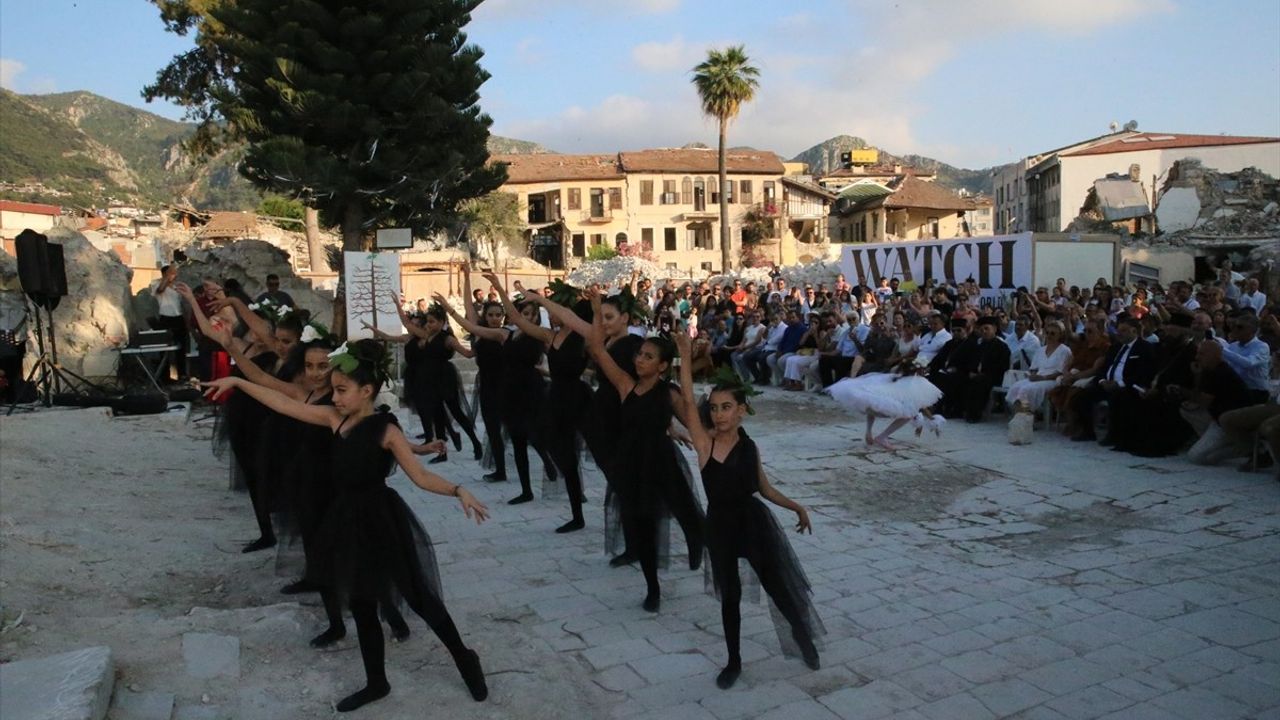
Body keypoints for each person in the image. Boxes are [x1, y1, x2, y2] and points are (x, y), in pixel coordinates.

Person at [202, 340, 490, 711]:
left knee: (419, 599)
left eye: (341, 390)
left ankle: (465, 657)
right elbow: (284, 403)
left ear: (366, 391)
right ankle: (376, 682)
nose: (333, 397)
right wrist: (239, 383)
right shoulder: (333, 420)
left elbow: (419, 477)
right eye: (334, 390)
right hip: (346, 520)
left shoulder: (386, 429)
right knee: (362, 603)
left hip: (382, 520)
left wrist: (458, 490)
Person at [671, 349, 823, 689]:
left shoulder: (750, 447)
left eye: (726, 407)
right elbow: (684, 394)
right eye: (714, 407)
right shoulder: (704, 444)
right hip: (720, 527)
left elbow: (764, 489)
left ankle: (803, 638)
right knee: (731, 597)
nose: (719, 414)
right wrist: (684, 352)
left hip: (753, 523)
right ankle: (734, 661)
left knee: (779, 586)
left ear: (742, 410)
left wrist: (797, 506)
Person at [584, 291, 704, 612]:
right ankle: (653, 588)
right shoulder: (625, 385)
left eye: (648, 357)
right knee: (642, 525)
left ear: (663, 366)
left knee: (684, 506)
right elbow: (596, 348)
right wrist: (597, 311)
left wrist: (686, 358)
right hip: (631, 463)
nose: (639, 360)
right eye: (640, 354)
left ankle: (697, 540)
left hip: (661, 461)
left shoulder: (669, 394)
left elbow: (691, 411)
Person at [437, 287, 556, 506]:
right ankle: (524, 488)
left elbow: (555, 358)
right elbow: (471, 324)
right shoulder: (505, 335)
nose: (528, 317)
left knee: (532, 433)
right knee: (511, 436)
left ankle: (547, 460)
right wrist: (448, 309)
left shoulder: (540, 336)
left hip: (530, 390)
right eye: (525, 313)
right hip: (505, 390)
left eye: (532, 314)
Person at [500, 278, 591, 532]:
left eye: (553, 309)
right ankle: (577, 515)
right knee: (565, 456)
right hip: (558, 399)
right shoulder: (550, 337)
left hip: (580, 399)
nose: (550, 314)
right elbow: (517, 319)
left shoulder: (583, 336)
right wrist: (500, 288)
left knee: (602, 455)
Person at [373, 298, 483, 464]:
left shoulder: (447, 339)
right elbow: (408, 324)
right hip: (429, 379)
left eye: (432, 322)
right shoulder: (425, 336)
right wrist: (398, 306)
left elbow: (467, 354)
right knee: (437, 415)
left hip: (445, 378)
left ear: (442, 322)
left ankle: (476, 443)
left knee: (456, 412)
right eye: (428, 322)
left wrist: (478, 342)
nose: (429, 325)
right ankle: (442, 452)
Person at [1071, 316, 1157, 443]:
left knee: (1117, 399)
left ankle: (1114, 436)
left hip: (1127, 386)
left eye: (1123, 330)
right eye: (1118, 330)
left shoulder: (1144, 348)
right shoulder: (1115, 347)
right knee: (1081, 396)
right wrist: (1102, 381)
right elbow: (1103, 368)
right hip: (1107, 384)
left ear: (1134, 331)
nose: (1119, 333)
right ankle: (1087, 431)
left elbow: (1142, 373)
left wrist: (1119, 383)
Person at [828, 358, 944, 449]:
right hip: (888, 408)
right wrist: (931, 420)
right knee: (907, 415)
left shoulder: (893, 376)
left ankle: (869, 432)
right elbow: (920, 406)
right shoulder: (915, 383)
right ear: (919, 370)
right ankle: (882, 437)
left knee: (872, 403)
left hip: (876, 406)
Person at [1005, 321, 1072, 440]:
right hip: (1038, 377)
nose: (1050, 336)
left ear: (1060, 335)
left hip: (1052, 379)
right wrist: (1033, 375)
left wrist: (1043, 378)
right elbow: (1034, 368)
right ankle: (1020, 417)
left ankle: (1026, 419)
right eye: (1048, 333)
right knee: (1016, 387)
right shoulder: (1041, 349)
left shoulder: (1064, 350)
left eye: (1053, 333)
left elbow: (1061, 371)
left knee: (1027, 389)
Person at [151, 264, 189, 380]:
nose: (174, 275)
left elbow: (181, 303)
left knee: (181, 347)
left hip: (178, 318)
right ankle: (165, 377)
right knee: (165, 348)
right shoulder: (157, 283)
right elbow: (160, 290)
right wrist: (167, 278)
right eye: (171, 273)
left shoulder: (176, 287)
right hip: (166, 318)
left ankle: (182, 374)